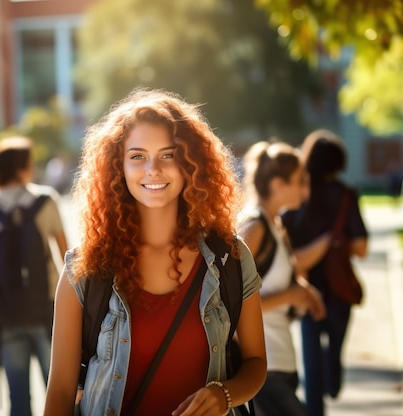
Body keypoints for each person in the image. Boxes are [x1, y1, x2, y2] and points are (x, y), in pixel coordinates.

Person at [43, 89, 266, 416]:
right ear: (116, 167)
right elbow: (61, 391)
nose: (153, 169)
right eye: (137, 156)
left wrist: (225, 395)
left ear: (192, 163)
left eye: (168, 154)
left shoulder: (229, 257)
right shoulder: (85, 267)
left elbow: (256, 363)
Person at [0, 136, 69, 416]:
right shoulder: (46, 200)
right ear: (23, 168)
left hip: (4, 312)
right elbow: (70, 260)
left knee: (18, 395)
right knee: (60, 392)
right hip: (48, 310)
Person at [281, 130, 368, 416]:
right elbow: (361, 247)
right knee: (333, 354)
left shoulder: (297, 196)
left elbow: (284, 244)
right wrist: (335, 241)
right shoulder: (345, 195)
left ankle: (316, 409)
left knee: (311, 363)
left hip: (306, 289)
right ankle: (334, 378)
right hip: (339, 290)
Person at [238, 140, 327, 416]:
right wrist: (292, 295)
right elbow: (228, 306)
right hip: (264, 369)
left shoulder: (276, 225)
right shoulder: (254, 228)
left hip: (281, 363)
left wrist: (305, 293)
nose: (306, 189)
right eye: (300, 181)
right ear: (278, 184)